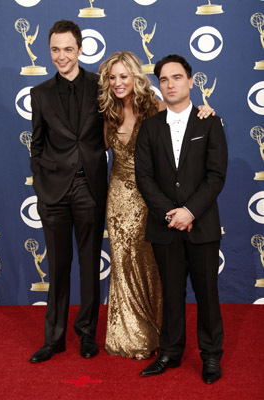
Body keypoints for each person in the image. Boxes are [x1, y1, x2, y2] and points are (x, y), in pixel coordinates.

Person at [98, 51, 215, 360]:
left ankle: (157, 333)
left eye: (124, 76)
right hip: (119, 199)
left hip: (154, 199)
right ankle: (128, 335)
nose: (118, 82)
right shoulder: (106, 114)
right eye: (112, 77)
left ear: (136, 77)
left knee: (156, 268)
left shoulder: (157, 108)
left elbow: (184, 123)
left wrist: (205, 111)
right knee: (123, 267)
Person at [135, 54, 227, 383]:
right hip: (164, 226)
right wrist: (169, 213)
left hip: (201, 225)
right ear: (158, 85)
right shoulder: (149, 127)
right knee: (171, 294)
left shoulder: (210, 122)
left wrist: (190, 211)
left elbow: (216, 176)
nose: (170, 84)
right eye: (163, 79)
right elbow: (143, 177)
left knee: (207, 293)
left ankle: (211, 356)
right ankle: (170, 352)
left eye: (176, 77)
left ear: (191, 81)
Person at [29, 20, 107, 363]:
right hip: (53, 192)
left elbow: (138, 112)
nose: (61, 56)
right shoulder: (40, 93)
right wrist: (40, 181)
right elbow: (37, 143)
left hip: (89, 187)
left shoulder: (100, 86)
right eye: (55, 50)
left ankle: (86, 334)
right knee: (58, 266)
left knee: (90, 264)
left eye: (68, 49)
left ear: (80, 49)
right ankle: (55, 338)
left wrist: (196, 109)